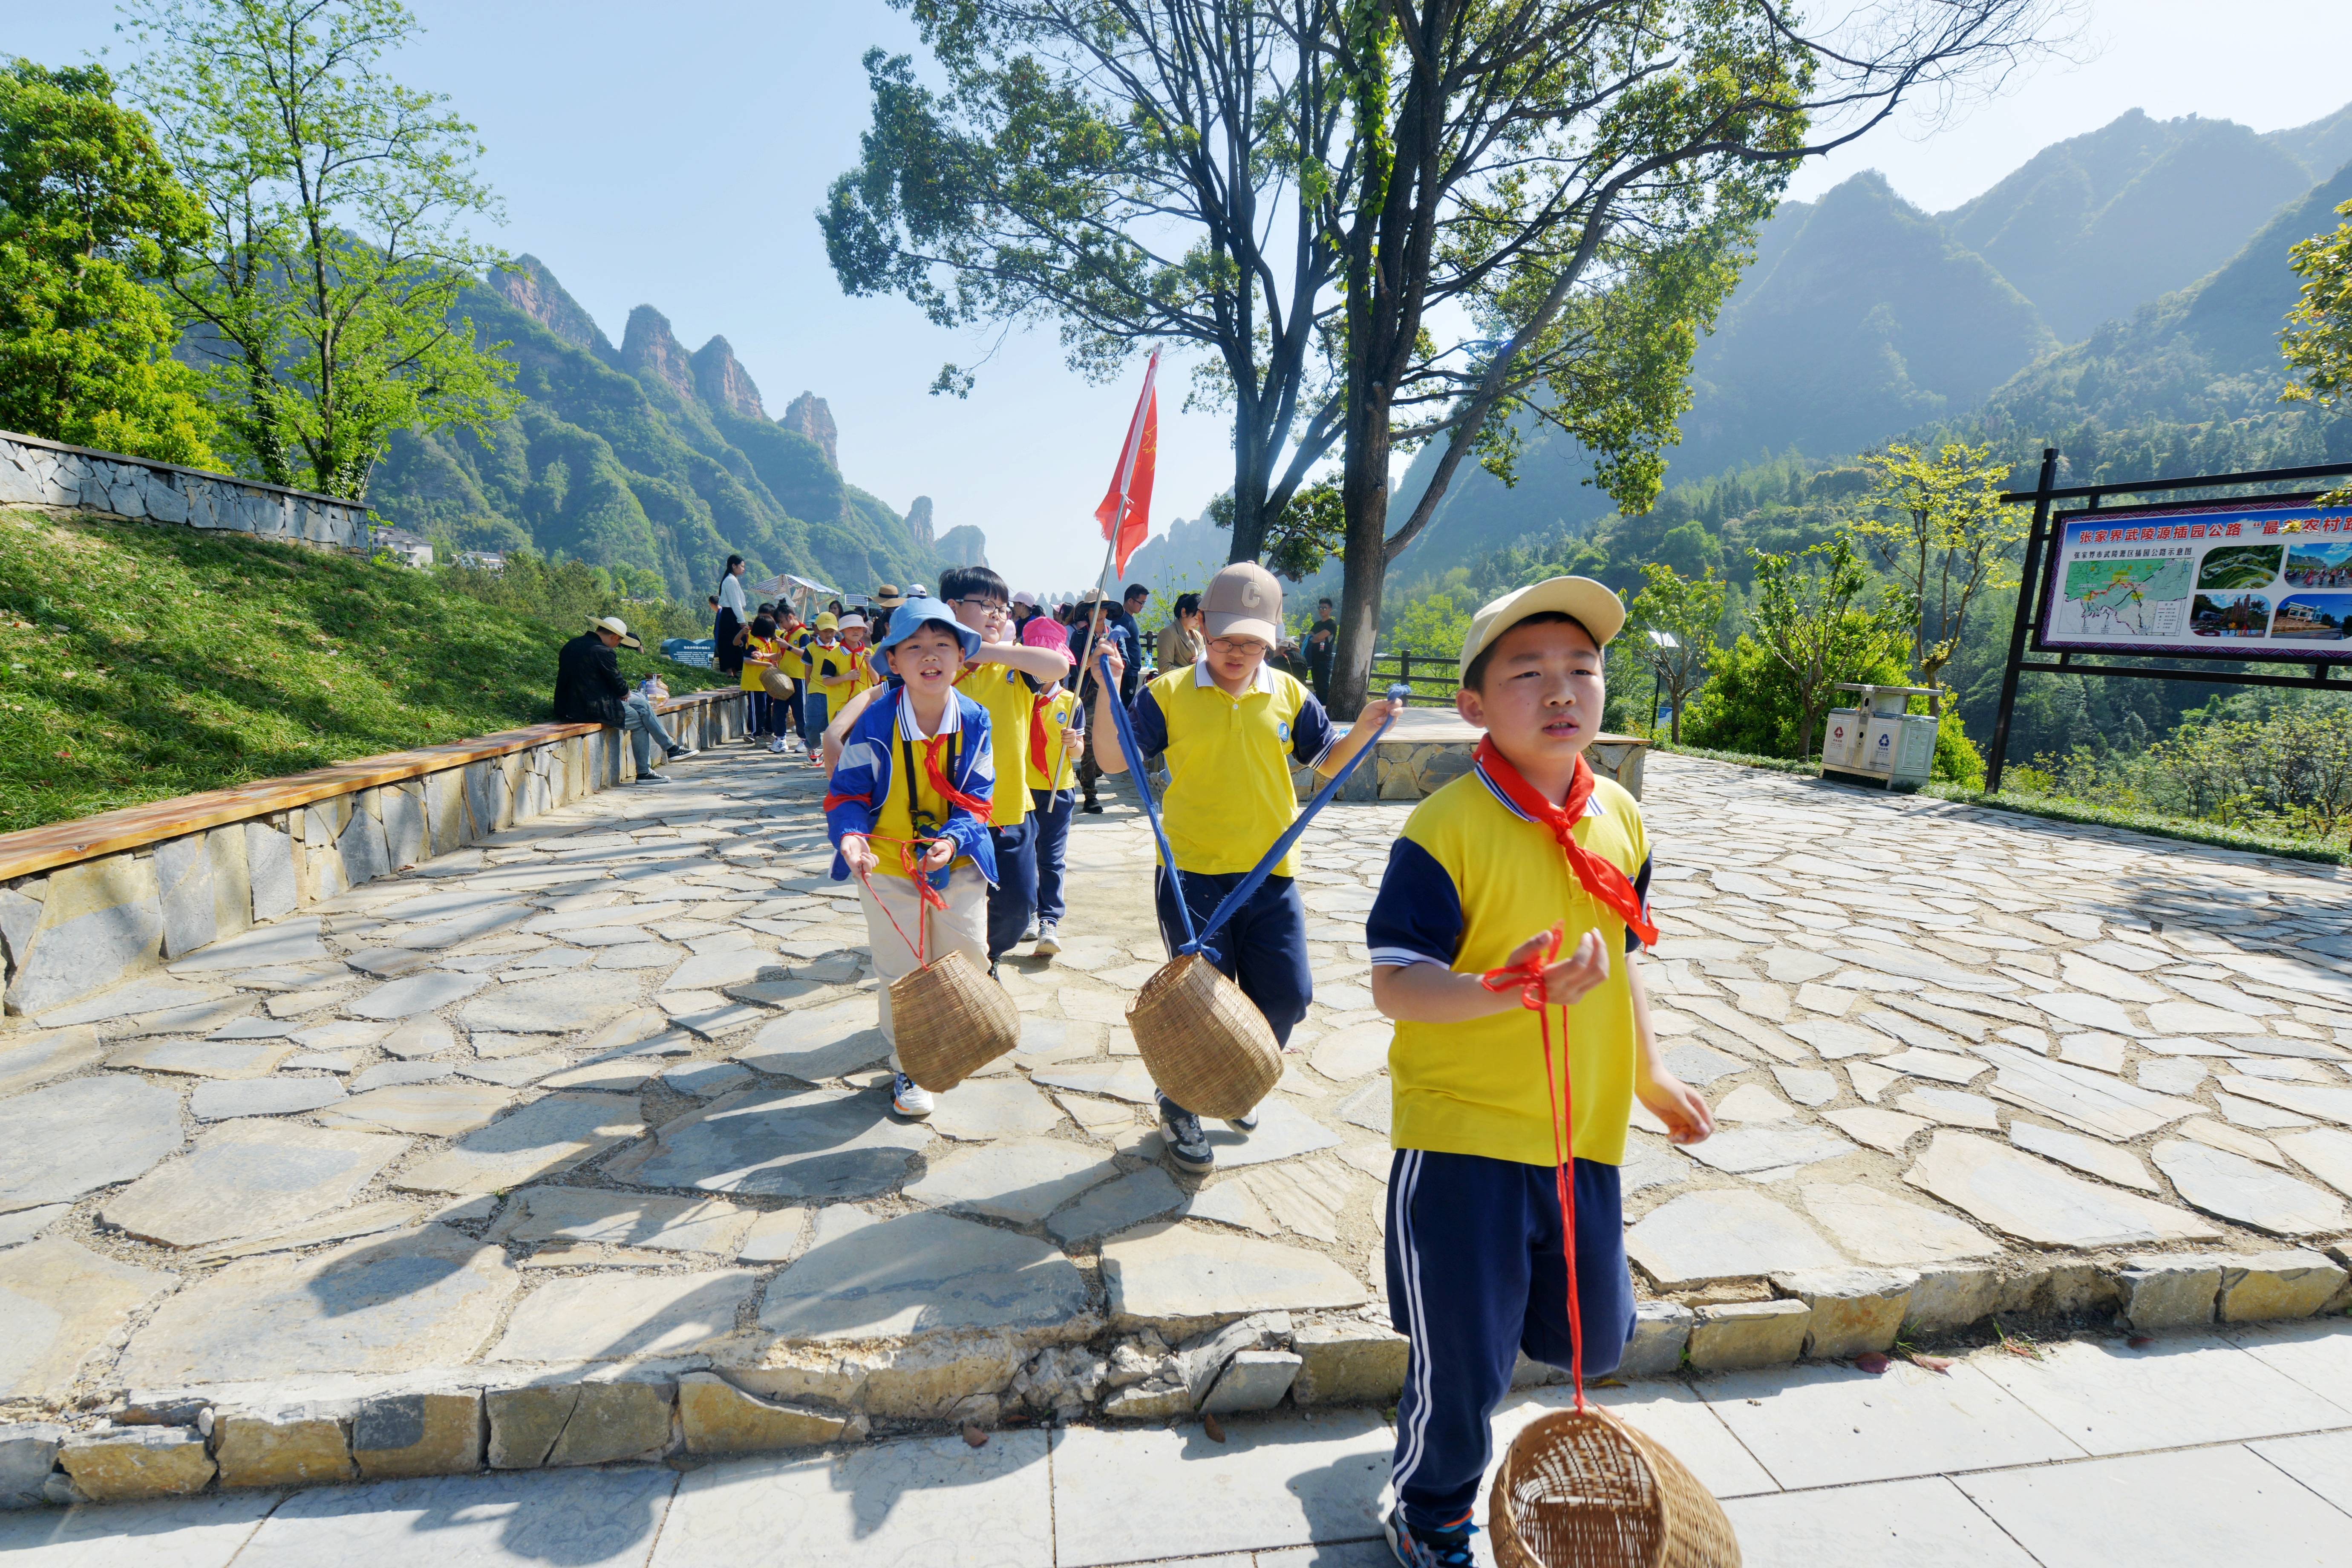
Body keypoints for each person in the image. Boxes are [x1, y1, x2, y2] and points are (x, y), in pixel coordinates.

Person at [1361, 577, 1713, 1568]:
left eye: (1582, 668)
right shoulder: (1442, 829)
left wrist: (1647, 1075)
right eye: (1528, 672)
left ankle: (1471, 1439)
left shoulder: (1622, 819)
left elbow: (1621, 956)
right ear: (1473, 704)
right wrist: (1504, 988)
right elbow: (1396, 984)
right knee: (1463, 1360)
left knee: (1589, 1337)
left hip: (1583, 1132)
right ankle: (1428, 1508)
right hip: (1463, 1134)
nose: (1562, 689)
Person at [1089, 562, 1398, 1172]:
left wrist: (1364, 727)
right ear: (1200, 626)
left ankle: (1232, 1077)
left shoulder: (1288, 694)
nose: (1239, 652)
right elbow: (1112, 760)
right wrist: (1107, 688)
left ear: (1274, 637)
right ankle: (1181, 1103)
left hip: (1270, 875)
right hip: (1190, 878)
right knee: (1199, 1006)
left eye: (1253, 641)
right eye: (1227, 638)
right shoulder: (1168, 694)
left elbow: (1327, 763)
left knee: (1287, 997)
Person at [825, 599, 1000, 1121]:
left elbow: (978, 799)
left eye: (942, 645)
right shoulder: (876, 721)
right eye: (915, 647)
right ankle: (911, 1065)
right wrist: (851, 836)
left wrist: (952, 840)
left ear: (961, 657)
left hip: (958, 861)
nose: (930, 656)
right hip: (886, 865)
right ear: (894, 662)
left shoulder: (974, 718)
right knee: (901, 971)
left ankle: (944, 1039)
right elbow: (847, 793)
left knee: (969, 954)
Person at [554, 616, 697, 782]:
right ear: (615, 637)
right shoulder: (603, 651)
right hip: (591, 707)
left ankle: (670, 748)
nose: (618, 645)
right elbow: (619, 685)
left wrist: (626, 693)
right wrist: (626, 693)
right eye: (619, 641)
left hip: (567, 704)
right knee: (639, 721)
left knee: (642, 704)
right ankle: (645, 772)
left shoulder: (572, 644)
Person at [1020, 612, 1081, 957]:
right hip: (1021, 789)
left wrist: (1073, 742)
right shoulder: (1018, 696)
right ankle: (1028, 913)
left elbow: (1079, 752)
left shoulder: (1071, 702)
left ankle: (1049, 920)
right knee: (1024, 856)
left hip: (1058, 789)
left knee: (1052, 858)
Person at [1067, 594, 1137, 814]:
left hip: (1108, 695)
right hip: (1087, 696)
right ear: (1088, 612)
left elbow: (1125, 661)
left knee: (1105, 743)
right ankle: (1090, 795)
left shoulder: (1115, 635)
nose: (1101, 614)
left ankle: (1089, 775)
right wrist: (1092, 660)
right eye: (1096, 609)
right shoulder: (1080, 636)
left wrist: (1112, 658)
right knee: (1088, 745)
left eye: (1105, 609)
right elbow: (1075, 667)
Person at [802, 613, 852, 755]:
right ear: (816, 629)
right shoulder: (810, 648)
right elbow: (808, 671)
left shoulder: (840, 648)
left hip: (836, 692)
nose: (829, 634)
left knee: (836, 727)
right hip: (816, 690)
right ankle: (812, 745)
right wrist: (810, 688)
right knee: (813, 725)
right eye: (825, 631)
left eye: (832, 631)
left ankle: (833, 753)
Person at [738, 611, 786, 746]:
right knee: (757, 709)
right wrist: (766, 663)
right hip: (754, 682)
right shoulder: (755, 642)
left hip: (766, 682)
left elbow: (771, 656)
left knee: (766, 709)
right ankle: (756, 733)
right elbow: (747, 659)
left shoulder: (767, 642)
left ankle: (767, 733)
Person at [1155, 591, 1205, 675]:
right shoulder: (1168, 633)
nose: (1199, 624)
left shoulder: (1198, 635)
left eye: (1201, 620)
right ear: (1184, 613)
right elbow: (1164, 668)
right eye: (1196, 619)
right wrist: (1192, 670)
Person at [715, 556, 749, 675]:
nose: (743, 569)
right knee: (731, 643)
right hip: (731, 615)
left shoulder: (732, 579)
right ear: (734, 566)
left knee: (732, 643)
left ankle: (733, 671)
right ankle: (730, 672)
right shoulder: (731, 581)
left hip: (731, 615)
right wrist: (742, 621)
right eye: (742, 566)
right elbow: (736, 603)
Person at [1306, 597, 1338, 706]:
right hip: (1314, 659)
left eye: (1324, 608)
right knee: (1317, 686)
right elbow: (1310, 637)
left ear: (1330, 609)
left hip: (1325, 659)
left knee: (1324, 686)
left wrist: (1317, 637)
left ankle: (1325, 709)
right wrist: (1318, 638)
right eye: (1320, 608)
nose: (1322, 610)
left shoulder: (1332, 624)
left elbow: (1317, 637)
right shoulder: (1317, 624)